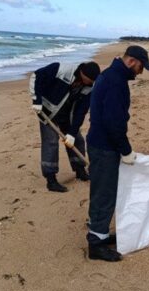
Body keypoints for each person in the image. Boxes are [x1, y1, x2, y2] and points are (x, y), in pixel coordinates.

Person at [85, 45, 149, 261]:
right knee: (104, 193)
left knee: (102, 190)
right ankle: (96, 244)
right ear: (132, 61)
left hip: (100, 142)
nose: (140, 72)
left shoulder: (110, 75)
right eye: (141, 67)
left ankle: (100, 233)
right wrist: (126, 150)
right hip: (105, 146)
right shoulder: (115, 81)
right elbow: (113, 121)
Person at [29, 60, 100, 192]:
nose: (89, 83)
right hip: (47, 112)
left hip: (67, 116)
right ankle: (51, 180)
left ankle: (80, 170)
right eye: (88, 80)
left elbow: (81, 111)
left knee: (77, 140)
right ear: (82, 72)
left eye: (92, 82)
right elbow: (36, 76)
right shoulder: (61, 69)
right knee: (51, 142)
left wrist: (72, 133)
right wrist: (36, 100)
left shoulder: (90, 86)